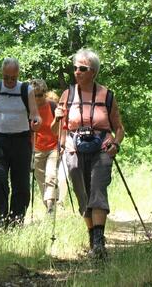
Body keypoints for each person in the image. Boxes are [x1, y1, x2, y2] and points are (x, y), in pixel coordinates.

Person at [57, 49, 124, 259]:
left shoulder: (107, 95)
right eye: (75, 68)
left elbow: (119, 128)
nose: (77, 72)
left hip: (101, 149)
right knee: (82, 195)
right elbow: (58, 128)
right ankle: (91, 236)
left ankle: (99, 244)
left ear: (93, 71)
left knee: (97, 191)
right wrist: (57, 125)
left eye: (82, 68)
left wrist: (116, 144)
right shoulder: (67, 95)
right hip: (74, 150)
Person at [0, 57, 42, 229]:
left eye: (13, 78)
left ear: (18, 74)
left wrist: (36, 121)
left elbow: (35, 114)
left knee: (21, 184)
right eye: (7, 77)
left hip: (21, 142)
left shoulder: (25, 90)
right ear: (2, 74)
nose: (10, 81)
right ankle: (0, 221)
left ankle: (15, 222)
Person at [30, 79, 61, 214]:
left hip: (53, 147)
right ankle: (49, 206)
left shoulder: (53, 106)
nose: (38, 98)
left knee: (51, 176)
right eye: (34, 95)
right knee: (41, 181)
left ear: (45, 93)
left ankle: (51, 207)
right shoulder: (29, 109)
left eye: (40, 95)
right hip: (36, 149)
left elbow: (60, 128)